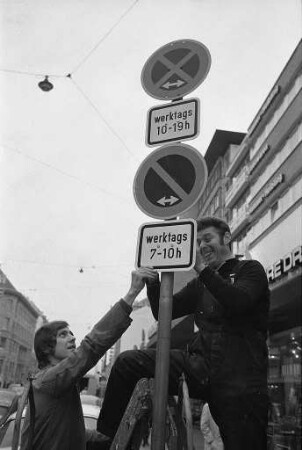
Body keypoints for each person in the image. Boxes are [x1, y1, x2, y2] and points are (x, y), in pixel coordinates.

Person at [97, 216, 270, 450]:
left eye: (207, 239)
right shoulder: (201, 284)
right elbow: (162, 311)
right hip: (201, 367)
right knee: (128, 363)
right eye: (197, 242)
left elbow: (238, 302)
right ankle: (106, 440)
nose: (201, 247)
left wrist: (200, 269)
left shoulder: (249, 270)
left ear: (227, 237)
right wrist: (153, 281)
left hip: (241, 382)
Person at [20, 269, 157, 450]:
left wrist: (106, 438)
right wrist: (132, 293)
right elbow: (91, 347)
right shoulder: (49, 381)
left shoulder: (53, 384)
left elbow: (70, 432)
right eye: (63, 335)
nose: (72, 338)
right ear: (46, 349)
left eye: (72, 333)